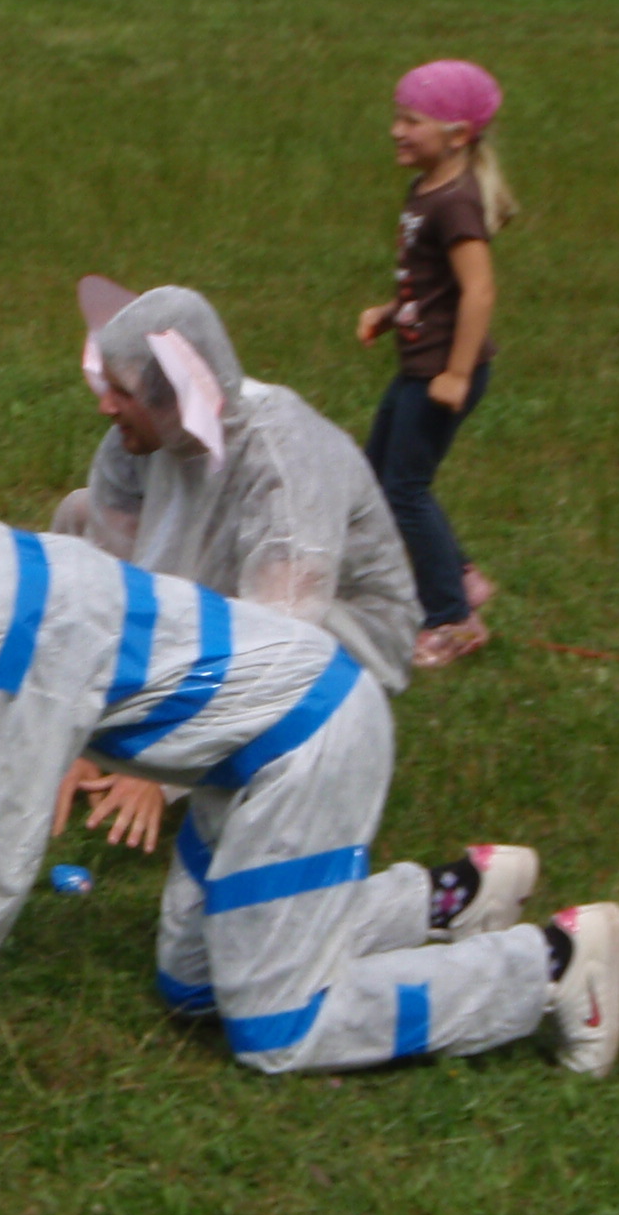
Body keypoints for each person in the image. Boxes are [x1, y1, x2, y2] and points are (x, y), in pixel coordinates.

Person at [0, 425, 619, 1095]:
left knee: (277, 1028)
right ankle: (457, 895)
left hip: (310, 739)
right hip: (247, 756)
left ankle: (552, 966)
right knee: (196, 984)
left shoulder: (0, 625)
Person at [49, 279, 419, 854]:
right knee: (79, 521)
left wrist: (161, 769)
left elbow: (280, 644)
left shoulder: (283, 462)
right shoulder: (130, 448)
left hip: (337, 632)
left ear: (175, 395)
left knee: (267, 631)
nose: (105, 406)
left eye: (122, 392)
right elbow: (104, 592)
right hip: (224, 598)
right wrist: (76, 734)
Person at [356, 58, 519, 670]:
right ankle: (460, 576)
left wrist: (455, 373)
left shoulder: (456, 203)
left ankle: (453, 619)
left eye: (411, 121)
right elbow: (433, 288)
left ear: (457, 136)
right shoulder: (427, 190)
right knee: (380, 479)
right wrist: (389, 312)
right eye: (396, 118)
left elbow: (479, 291)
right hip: (420, 366)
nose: (396, 131)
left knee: (404, 489)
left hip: (442, 373)